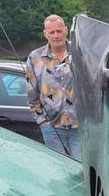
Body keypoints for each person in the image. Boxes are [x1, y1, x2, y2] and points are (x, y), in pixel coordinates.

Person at [25, 14, 79, 159]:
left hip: (80, 128)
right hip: (52, 129)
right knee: (60, 172)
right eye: (51, 32)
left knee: (81, 171)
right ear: (45, 34)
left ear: (66, 30)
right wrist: (43, 122)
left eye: (59, 31)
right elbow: (32, 94)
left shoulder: (80, 54)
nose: (56, 35)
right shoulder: (35, 58)